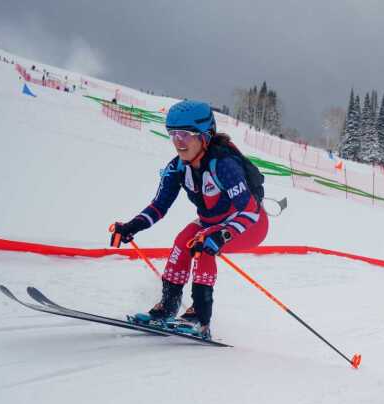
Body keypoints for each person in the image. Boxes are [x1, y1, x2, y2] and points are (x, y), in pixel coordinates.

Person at [110, 100, 268, 339]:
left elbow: (250, 211)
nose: (178, 142)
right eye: (173, 134)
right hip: (211, 223)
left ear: (205, 136)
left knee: (203, 244)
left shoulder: (224, 165)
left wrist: (222, 234)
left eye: (185, 134)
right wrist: (132, 226)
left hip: (251, 225)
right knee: (183, 241)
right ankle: (168, 308)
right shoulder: (177, 168)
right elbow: (159, 206)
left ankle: (200, 319)